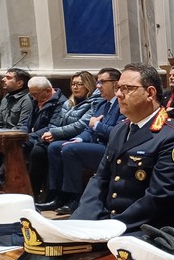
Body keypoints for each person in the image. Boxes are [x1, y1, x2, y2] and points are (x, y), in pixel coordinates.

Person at [72, 63, 174, 234]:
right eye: (118, 88)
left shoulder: (173, 137)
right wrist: (81, 220)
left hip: (143, 230)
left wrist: (111, 226)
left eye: (127, 88)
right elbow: (100, 179)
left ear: (150, 93)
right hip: (107, 224)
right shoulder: (120, 129)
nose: (119, 94)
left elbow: (159, 198)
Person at [38, 68, 124, 214]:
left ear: (115, 84)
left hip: (108, 148)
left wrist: (96, 125)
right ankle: (58, 195)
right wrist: (78, 139)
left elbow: (117, 133)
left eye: (102, 82)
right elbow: (88, 130)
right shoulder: (103, 104)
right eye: (98, 82)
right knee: (54, 147)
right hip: (94, 144)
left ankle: (75, 198)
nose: (98, 86)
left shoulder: (122, 105)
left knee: (70, 150)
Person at [28, 71, 97, 200]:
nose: (75, 87)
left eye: (79, 84)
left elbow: (80, 125)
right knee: (38, 147)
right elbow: (54, 123)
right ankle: (43, 193)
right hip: (61, 136)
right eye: (73, 84)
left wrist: (54, 133)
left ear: (88, 85)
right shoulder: (69, 103)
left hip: (79, 138)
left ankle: (56, 195)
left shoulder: (93, 102)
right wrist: (51, 133)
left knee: (44, 149)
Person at [0, 68, 33, 187]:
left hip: (18, 139)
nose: (3, 79)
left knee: (10, 146)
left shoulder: (27, 100)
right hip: (3, 136)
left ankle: (0, 183)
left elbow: (23, 128)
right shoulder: (6, 98)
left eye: (8, 77)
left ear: (20, 83)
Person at [25, 76, 66, 199]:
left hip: (47, 137)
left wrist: (29, 136)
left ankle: (32, 192)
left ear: (48, 91)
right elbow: (27, 123)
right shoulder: (35, 100)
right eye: (31, 94)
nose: (33, 97)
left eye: (36, 94)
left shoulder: (60, 102)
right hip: (33, 136)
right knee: (12, 145)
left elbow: (52, 126)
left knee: (37, 151)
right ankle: (2, 183)